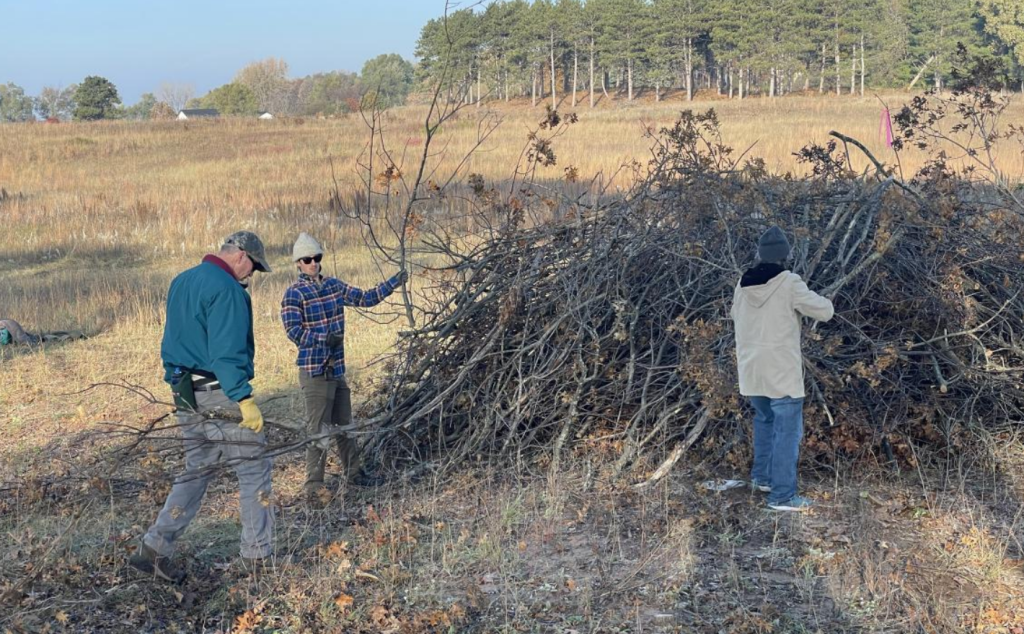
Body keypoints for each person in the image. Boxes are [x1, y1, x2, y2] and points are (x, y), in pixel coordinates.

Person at [130, 231, 275, 584]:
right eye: (253, 268)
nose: (251, 276)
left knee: (196, 469)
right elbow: (226, 352)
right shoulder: (227, 291)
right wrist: (243, 399)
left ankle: (154, 549)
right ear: (241, 256)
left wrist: (175, 383)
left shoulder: (183, 280)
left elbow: (173, 339)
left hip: (184, 393)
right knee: (254, 468)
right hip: (219, 393)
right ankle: (258, 560)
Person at [280, 232, 407, 507]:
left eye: (316, 258)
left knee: (345, 426)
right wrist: (321, 339)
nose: (312, 263)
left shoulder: (334, 286)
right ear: (298, 263)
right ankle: (314, 486)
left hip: (337, 370)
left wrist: (394, 282)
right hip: (314, 371)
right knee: (318, 430)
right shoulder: (294, 293)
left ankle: (355, 473)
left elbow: (366, 298)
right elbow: (292, 330)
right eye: (306, 259)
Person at [730, 226, 834, 512]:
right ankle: (783, 496)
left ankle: (762, 478)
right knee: (788, 431)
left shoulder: (742, 283)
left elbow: (734, 316)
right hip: (781, 371)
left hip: (751, 368)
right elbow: (824, 311)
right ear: (785, 255)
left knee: (764, 421)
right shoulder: (789, 282)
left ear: (760, 254)